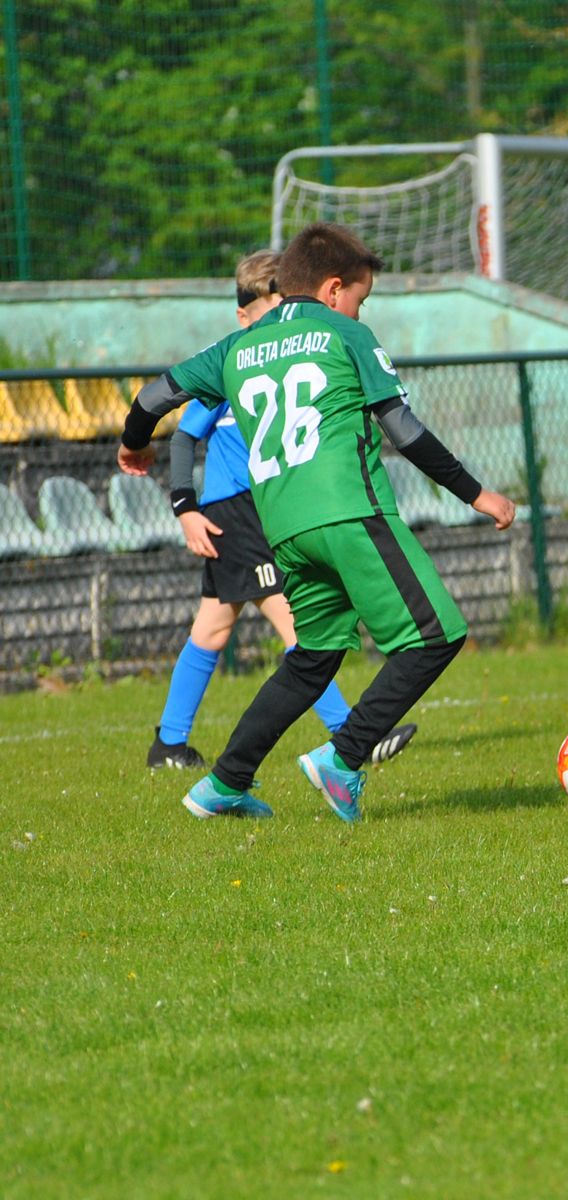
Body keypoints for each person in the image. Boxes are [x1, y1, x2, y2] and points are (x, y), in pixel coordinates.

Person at [117, 222, 515, 821]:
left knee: (313, 657)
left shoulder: (235, 347)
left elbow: (151, 400)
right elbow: (402, 430)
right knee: (436, 635)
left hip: (284, 526)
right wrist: (477, 494)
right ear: (333, 290)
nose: (360, 308)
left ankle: (223, 784)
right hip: (349, 510)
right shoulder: (346, 333)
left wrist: (134, 447)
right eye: (360, 296)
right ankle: (345, 756)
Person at [146, 249, 414, 771]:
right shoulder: (237, 361)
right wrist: (185, 507)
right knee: (299, 625)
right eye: (272, 312)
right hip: (240, 510)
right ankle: (350, 735)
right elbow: (183, 436)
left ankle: (169, 744)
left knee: (213, 628)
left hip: (262, 507)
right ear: (245, 315)